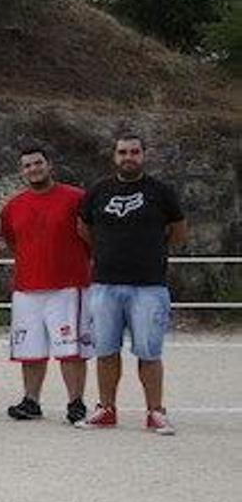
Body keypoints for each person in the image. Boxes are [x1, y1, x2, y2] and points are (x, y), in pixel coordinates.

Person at [76, 133, 188, 434]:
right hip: (105, 285)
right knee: (105, 350)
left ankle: (155, 411)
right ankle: (106, 409)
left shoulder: (161, 191)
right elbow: (83, 227)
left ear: (143, 155)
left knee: (149, 351)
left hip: (149, 286)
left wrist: (152, 250)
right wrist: (106, 251)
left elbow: (178, 231)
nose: (129, 157)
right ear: (114, 156)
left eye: (134, 152)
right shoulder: (98, 191)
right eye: (123, 152)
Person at [0, 147, 92, 424]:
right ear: (22, 171)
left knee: (70, 349)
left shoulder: (76, 198)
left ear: (49, 165)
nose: (33, 169)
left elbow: (90, 235)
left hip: (67, 286)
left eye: (38, 163)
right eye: (27, 166)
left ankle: (75, 403)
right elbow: (13, 241)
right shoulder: (14, 206)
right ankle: (31, 401)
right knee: (30, 349)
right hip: (27, 288)